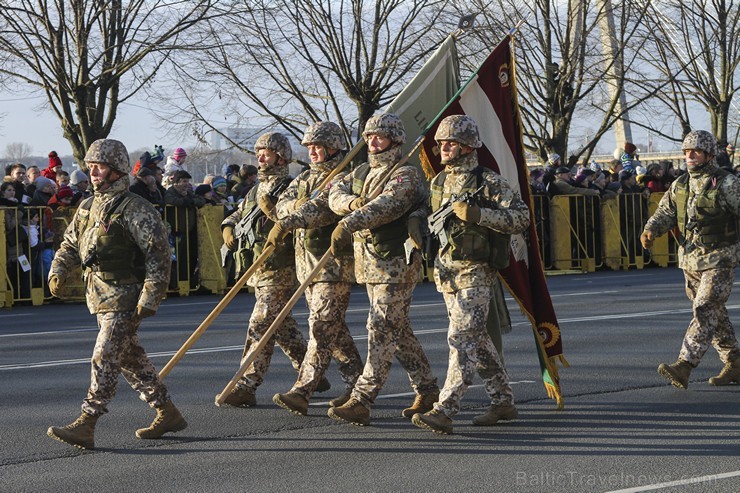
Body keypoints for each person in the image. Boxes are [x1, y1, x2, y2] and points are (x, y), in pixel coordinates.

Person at [47, 139, 186, 450]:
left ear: (117, 169)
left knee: (105, 355)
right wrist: (57, 270)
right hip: (99, 296)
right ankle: (167, 412)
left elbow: (158, 253)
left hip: (126, 297)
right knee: (129, 358)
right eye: (91, 166)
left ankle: (87, 422)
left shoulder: (136, 208)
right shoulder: (87, 206)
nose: (93, 171)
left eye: (100, 166)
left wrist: (151, 295)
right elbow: (70, 244)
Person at [411, 115, 530, 435]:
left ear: (467, 146)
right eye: (441, 143)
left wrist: (480, 214)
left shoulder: (488, 181)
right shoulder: (438, 182)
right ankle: (503, 401)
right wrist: (417, 224)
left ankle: (446, 409)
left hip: (477, 271)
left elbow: (521, 217)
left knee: (461, 339)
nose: (443, 148)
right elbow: (431, 215)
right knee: (477, 341)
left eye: (449, 143)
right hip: (446, 272)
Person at [326, 113, 439, 426]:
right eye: (369, 136)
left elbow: (388, 205)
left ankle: (363, 399)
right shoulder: (362, 171)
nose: (373, 142)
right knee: (398, 331)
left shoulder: (405, 174)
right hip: (370, 264)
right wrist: (351, 205)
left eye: (380, 136)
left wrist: (349, 222)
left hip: (396, 266)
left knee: (380, 327)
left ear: (396, 139)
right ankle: (428, 389)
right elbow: (335, 193)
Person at [267, 121, 363, 416]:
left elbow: (319, 211)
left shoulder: (342, 177)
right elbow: (281, 204)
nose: (312, 152)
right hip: (306, 266)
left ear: (333, 147)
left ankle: (302, 391)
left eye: (317, 146)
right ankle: (358, 383)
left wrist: (290, 216)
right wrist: (293, 208)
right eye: (308, 147)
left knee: (321, 329)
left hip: (332, 265)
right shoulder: (306, 177)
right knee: (335, 330)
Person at [217, 132, 318, 408]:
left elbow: (292, 218)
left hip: (280, 266)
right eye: (258, 151)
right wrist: (227, 225)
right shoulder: (256, 188)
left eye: (267, 152)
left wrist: (272, 209)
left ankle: (246, 385)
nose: (260, 157)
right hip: (258, 266)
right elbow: (240, 212)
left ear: (281, 157)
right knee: (281, 325)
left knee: (261, 324)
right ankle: (311, 369)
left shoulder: (289, 184)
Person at [641, 130, 740, 389]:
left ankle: (684, 365)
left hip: (720, 257)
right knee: (714, 314)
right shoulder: (681, 184)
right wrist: (651, 230)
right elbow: (666, 212)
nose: (690, 155)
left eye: (695, 151)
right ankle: (735, 362)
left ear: (709, 154)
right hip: (691, 261)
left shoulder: (727, 183)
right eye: (686, 151)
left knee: (705, 308)